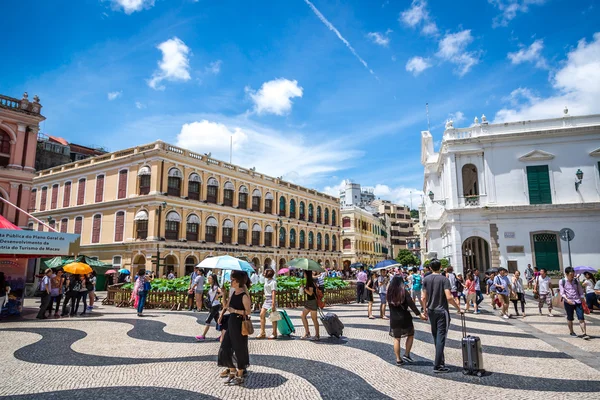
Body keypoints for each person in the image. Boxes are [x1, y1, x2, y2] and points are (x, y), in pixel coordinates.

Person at [421, 259, 461, 373]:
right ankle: (438, 365)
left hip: (431, 310)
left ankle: (440, 361)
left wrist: (425, 310)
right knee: (441, 337)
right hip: (442, 311)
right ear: (440, 267)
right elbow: (449, 297)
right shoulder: (444, 279)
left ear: (430, 267)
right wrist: (458, 308)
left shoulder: (426, 279)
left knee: (436, 336)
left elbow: (424, 297)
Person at [217, 270, 251, 386]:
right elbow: (226, 306)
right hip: (231, 322)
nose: (230, 282)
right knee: (224, 348)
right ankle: (232, 370)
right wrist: (224, 294)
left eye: (232, 280)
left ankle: (240, 374)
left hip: (239, 324)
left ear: (237, 282)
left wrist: (235, 310)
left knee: (239, 348)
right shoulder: (233, 293)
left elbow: (248, 311)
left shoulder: (244, 296)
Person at [387, 275, 427, 366]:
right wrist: (420, 315)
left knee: (397, 338)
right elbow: (411, 304)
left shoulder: (389, 292)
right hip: (405, 317)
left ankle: (398, 359)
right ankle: (406, 354)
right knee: (411, 334)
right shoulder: (403, 292)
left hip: (394, 318)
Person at [560, 267, 589, 340]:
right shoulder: (562, 281)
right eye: (571, 274)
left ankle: (584, 333)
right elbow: (562, 293)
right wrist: (567, 299)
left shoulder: (576, 281)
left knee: (581, 317)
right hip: (568, 302)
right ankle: (571, 331)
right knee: (570, 318)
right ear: (566, 274)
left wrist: (583, 301)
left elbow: (581, 292)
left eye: (573, 274)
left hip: (577, 301)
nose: (572, 276)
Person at [196, 274, 222, 340]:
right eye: (208, 278)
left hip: (215, 306)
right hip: (214, 305)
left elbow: (222, 292)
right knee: (217, 321)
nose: (208, 279)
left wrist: (217, 296)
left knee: (208, 320)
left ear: (213, 279)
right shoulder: (212, 286)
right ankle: (223, 334)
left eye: (209, 278)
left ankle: (203, 336)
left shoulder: (215, 286)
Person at [257, 268, 278, 339]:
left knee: (273, 317)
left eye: (265, 272)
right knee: (261, 315)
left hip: (271, 300)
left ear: (268, 273)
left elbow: (273, 293)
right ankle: (262, 332)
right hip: (266, 299)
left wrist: (273, 304)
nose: (263, 273)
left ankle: (274, 333)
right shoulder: (267, 280)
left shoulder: (273, 282)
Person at [300, 270, 320, 341]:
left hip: (312, 301)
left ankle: (317, 335)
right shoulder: (309, 281)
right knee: (302, 315)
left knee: (314, 319)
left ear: (306, 274)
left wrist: (304, 289)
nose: (303, 274)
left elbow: (310, 293)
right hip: (309, 302)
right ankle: (307, 333)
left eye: (304, 273)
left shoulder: (310, 282)